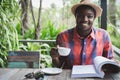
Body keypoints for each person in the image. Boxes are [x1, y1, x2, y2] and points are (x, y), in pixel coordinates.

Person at [50, 0, 114, 69]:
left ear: (94, 18)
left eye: (89, 16)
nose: (85, 19)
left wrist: (114, 64)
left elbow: (109, 61)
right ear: (75, 16)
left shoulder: (104, 36)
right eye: (80, 15)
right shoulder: (63, 37)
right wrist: (55, 58)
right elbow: (59, 65)